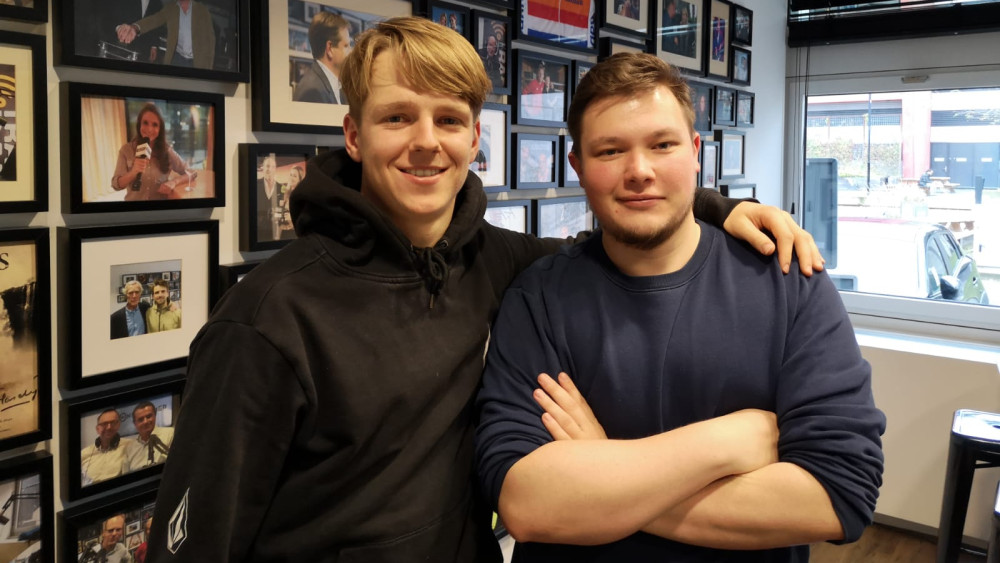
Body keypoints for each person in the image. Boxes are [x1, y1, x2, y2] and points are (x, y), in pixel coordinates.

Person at [143, 17, 823, 563]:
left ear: (475, 138)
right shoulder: (268, 317)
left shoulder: (505, 263)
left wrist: (713, 208)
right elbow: (193, 539)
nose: (425, 142)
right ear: (353, 134)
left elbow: (631, 221)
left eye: (447, 119)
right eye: (396, 118)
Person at [475, 53, 885, 562]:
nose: (639, 171)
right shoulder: (538, 297)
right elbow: (528, 505)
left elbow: (838, 495)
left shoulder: (788, 280)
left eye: (662, 145)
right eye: (609, 151)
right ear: (578, 167)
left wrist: (601, 470)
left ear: (695, 152)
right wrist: (725, 442)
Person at [110, 103, 196, 202]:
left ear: (160, 129)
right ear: (139, 124)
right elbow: (116, 185)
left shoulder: (167, 151)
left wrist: (174, 182)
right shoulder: (126, 150)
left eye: (155, 125)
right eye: (145, 123)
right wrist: (133, 172)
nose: (149, 129)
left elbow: (192, 173)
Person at [115, 0, 215, 69]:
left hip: (197, 61)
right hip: (177, 59)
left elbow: (211, 41)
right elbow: (154, 19)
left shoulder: (202, 10)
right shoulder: (170, 8)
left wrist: (208, 68)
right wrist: (135, 28)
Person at [292, 11, 351, 104]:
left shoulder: (338, 86)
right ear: (330, 48)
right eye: (346, 46)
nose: (350, 51)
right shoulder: (311, 92)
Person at [80, 409, 135, 486]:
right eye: (104, 424)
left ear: (118, 425)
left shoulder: (130, 445)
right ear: (97, 429)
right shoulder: (84, 453)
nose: (109, 427)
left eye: (113, 423)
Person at [125, 401, 173, 472]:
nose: (145, 421)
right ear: (135, 424)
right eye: (141, 419)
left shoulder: (171, 434)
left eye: (148, 416)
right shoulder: (129, 448)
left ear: (155, 416)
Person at [256, 155, 282, 241]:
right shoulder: (255, 185)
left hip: (276, 231)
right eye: (267, 166)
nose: (269, 169)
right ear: (262, 168)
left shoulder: (281, 187)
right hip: (257, 231)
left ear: (275, 169)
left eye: (272, 167)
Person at [278, 165, 304, 239]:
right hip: (284, 228)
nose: (291, 178)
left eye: (294, 176)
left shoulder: (301, 194)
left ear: (300, 179)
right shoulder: (287, 192)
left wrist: (292, 217)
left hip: (294, 231)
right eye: (291, 175)